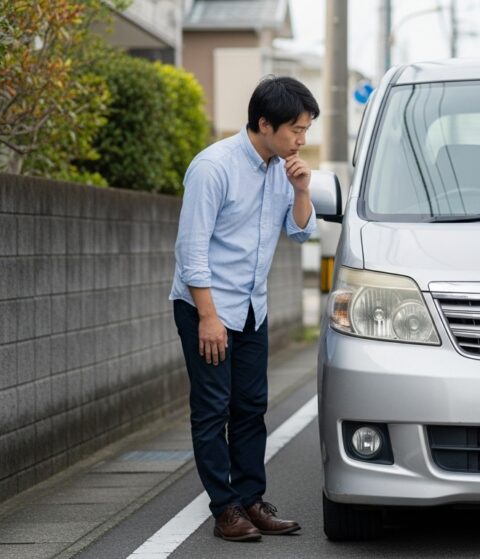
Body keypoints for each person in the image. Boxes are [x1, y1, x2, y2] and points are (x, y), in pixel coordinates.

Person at [169, 76, 318, 542]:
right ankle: (225, 509)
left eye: (306, 129)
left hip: (252, 307)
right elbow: (190, 251)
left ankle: (252, 501)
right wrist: (209, 318)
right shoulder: (214, 167)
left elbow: (299, 234)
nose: (302, 139)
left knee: (251, 407)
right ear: (263, 123)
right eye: (296, 129)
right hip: (206, 307)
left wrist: (300, 190)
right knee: (212, 409)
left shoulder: (282, 169)